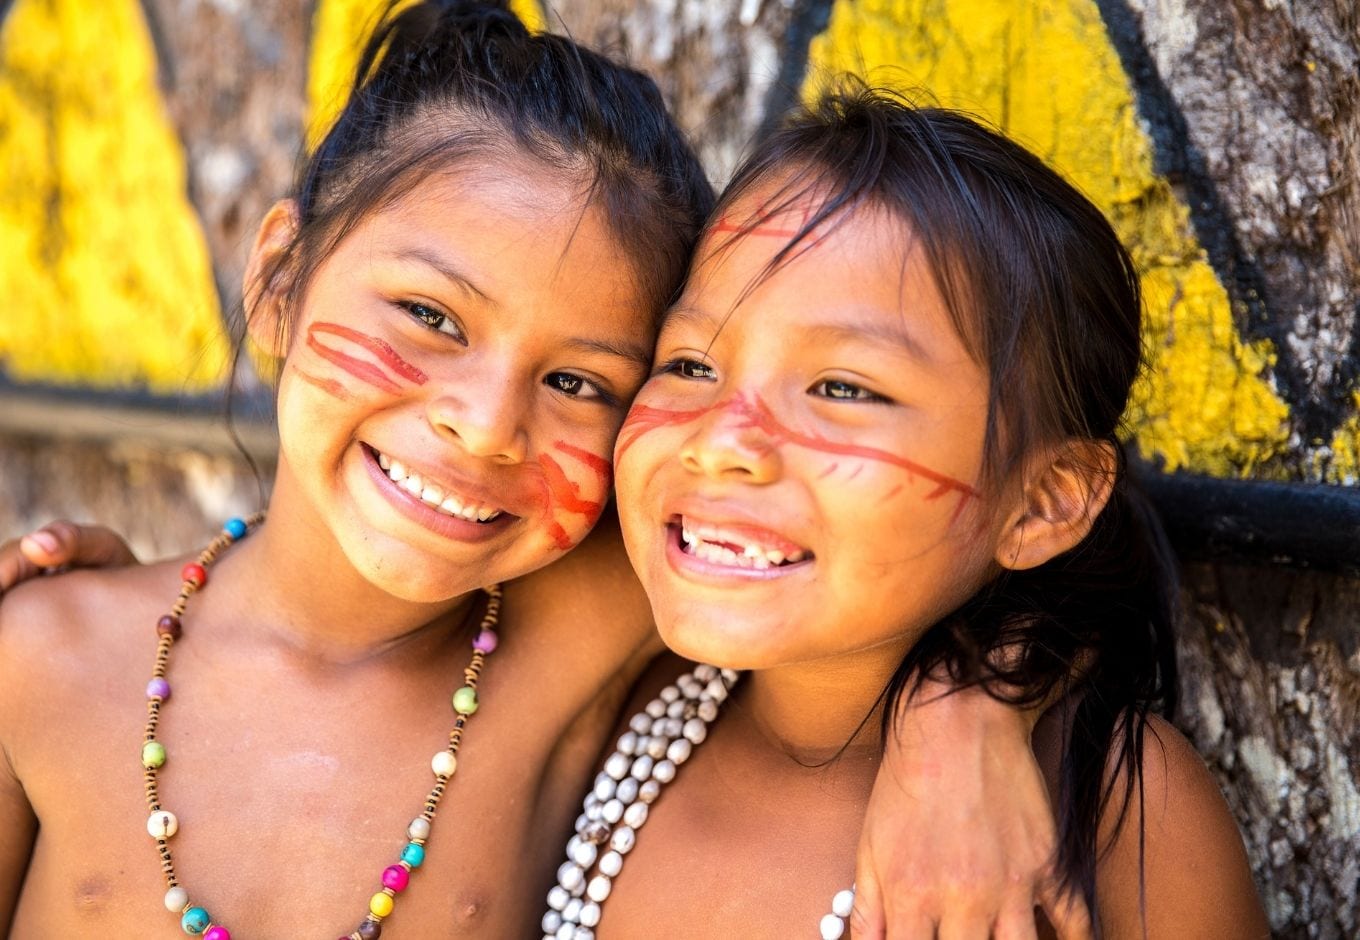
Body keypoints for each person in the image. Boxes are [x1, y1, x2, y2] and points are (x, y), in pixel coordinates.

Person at [0, 4, 1084, 938]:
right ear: (280, 277)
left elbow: (962, 549)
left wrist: (970, 711)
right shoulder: (38, 661)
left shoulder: (599, 623)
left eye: (581, 383)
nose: (483, 427)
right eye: (427, 317)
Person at [542, 87, 1269, 938]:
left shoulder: (1115, 811)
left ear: (1044, 502)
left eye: (844, 388)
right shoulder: (599, 692)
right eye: (691, 366)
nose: (722, 440)